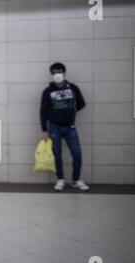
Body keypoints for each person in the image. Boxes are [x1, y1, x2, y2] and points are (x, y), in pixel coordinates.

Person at [40, 62, 90, 192]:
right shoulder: (48, 91)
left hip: (70, 127)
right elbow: (43, 110)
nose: (57, 74)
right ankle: (60, 179)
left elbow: (81, 104)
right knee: (57, 154)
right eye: (55, 72)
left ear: (64, 73)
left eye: (60, 72)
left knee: (77, 153)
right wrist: (44, 128)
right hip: (54, 127)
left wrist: (69, 112)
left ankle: (76, 180)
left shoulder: (73, 88)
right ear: (51, 74)